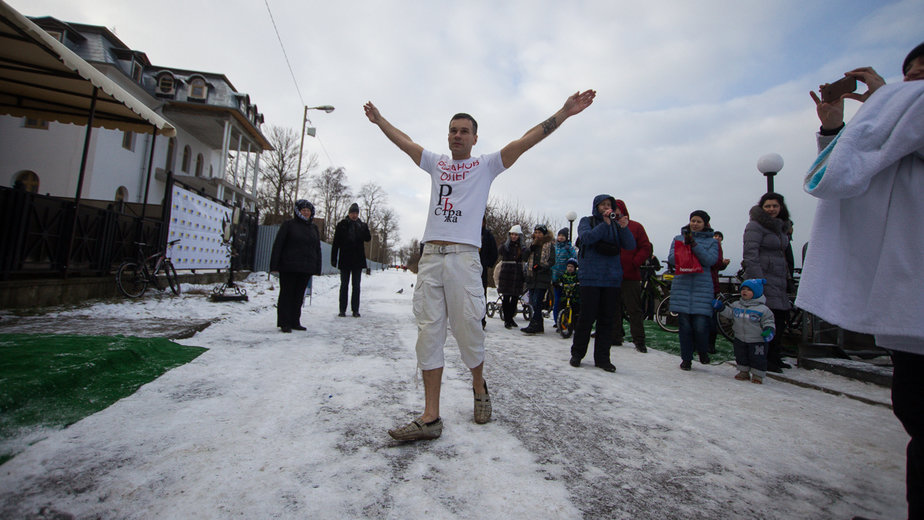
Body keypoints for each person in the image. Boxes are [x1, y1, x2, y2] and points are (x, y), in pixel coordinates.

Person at [364, 89, 596, 441]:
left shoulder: (485, 165)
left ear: (474, 138)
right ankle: (431, 417)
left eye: (463, 131)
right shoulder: (437, 163)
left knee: (468, 331)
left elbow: (526, 140)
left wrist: (563, 113)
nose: (456, 135)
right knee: (429, 333)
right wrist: (380, 121)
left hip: (463, 259)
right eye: (452, 130)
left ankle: (478, 385)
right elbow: (405, 142)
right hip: (431, 259)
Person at [799, 43, 924, 519]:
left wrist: (887, 99)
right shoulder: (901, 130)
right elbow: (847, 178)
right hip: (909, 300)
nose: (915, 86)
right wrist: (834, 127)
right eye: (909, 76)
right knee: (914, 410)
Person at [568, 194, 635, 373]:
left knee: (607, 320)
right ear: (596, 206)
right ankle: (577, 354)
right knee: (586, 318)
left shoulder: (616, 224)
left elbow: (629, 245)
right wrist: (604, 224)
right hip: (590, 277)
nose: (606, 207)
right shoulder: (586, 221)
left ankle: (603, 358)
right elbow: (587, 239)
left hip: (611, 279)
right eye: (603, 205)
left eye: (609, 205)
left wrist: (624, 228)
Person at [742, 192, 793, 372]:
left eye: (775, 206)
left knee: (779, 319)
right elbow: (750, 254)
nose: (772, 209)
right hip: (763, 279)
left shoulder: (781, 228)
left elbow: (784, 255)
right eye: (768, 206)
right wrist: (757, 281)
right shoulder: (755, 226)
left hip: (779, 279)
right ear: (762, 208)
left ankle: (774, 355)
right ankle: (764, 357)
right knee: (765, 319)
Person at [668, 210, 719, 371]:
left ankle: (703, 350)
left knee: (700, 325)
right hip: (682, 285)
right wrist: (683, 249)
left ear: (705, 224)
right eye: (693, 221)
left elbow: (710, 260)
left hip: (701, 287)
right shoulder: (678, 238)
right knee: (684, 326)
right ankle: (686, 359)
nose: (695, 224)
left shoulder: (712, 242)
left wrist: (694, 246)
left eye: (698, 221)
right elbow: (671, 259)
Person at [269, 199, 322, 333]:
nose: (306, 213)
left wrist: (317, 266)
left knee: (299, 296)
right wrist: (274, 264)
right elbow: (278, 244)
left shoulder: (313, 228)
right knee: (287, 294)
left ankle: (295, 321)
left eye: (308, 211)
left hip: (305, 267)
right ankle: (284, 322)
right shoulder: (289, 225)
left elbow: (317, 248)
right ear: (298, 211)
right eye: (303, 210)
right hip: (289, 266)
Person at [713, 278, 775, 384]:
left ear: (756, 293)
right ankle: (743, 371)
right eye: (743, 289)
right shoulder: (737, 305)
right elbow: (730, 314)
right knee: (741, 355)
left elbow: (768, 321)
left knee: (757, 358)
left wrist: (768, 330)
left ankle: (757, 375)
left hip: (757, 340)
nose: (744, 292)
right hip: (740, 338)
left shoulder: (763, 309)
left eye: (749, 290)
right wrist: (721, 308)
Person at [612, 199, 652, 353]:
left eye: (617, 209)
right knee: (613, 308)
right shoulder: (609, 227)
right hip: (612, 275)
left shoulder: (636, 227)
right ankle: (615, 335)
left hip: (630, 275)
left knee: (634, 309)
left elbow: (645, 247)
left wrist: (635, 262)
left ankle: (639, 340)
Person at [331, 202, 372, 317]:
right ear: (349, 213)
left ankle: (355, 310)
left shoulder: (362, 225)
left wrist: (365, 228)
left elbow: (368, 238)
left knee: (356, 286)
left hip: (358, 260)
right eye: (352, 213)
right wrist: (334, 258)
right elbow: (336, 243)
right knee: (344, 285)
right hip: (345, 259)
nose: (354, 215)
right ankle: (342, 309)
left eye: (356, 213)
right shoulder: (342, 224)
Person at [521, 225, 555, 334]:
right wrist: (530, 249)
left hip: (542, 277)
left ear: (544, 234)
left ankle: (533, 324)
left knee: (537, 301)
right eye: (536, 232)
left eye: (540, 232)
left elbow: (552, 261)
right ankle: (539, 325)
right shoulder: (532, 245)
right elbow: (524, 257)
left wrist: (542, 267)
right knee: (534, 302)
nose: (537, 235)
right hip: (532, 277)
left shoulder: (549, 245)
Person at [496, 225, 528, 329]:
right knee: (506, 297)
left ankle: (510, 318)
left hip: (517, 273)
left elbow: (526, 256)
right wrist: (506, 243)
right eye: (512, 234)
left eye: (516, 235)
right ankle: (507, 319)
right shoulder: (506, 245)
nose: (514, 236)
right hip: (506, 273)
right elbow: (500, 251)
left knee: (515, 297)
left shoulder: (521, 247)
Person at [707, 230, 731, 353]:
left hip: (711, 284)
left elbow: (716, 265)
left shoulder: (715, 246)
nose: (717, 238)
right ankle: (707, 344)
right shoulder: (714, 246)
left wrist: (723, 264)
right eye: (715, 236)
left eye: (719, 236)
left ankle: (710, 344)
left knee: (710, 315)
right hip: (709, 283)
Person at [551, 228, 577, 330]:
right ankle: (557, 320)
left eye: (563, 236)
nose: (560, 237)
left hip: (567, 279)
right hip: (555, 278)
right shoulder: (555, 248)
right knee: (556, 301)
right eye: (559, 235)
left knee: (566, 301)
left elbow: (574, 259)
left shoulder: (569, 248)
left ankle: (567, 320)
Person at [479, 217, 499, 329]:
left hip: (482, 270)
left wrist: (487, 264)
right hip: (467, 269)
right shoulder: (469, 233)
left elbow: (494, 252)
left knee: (481, 295)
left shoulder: (487, 235)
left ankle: (481, 320)